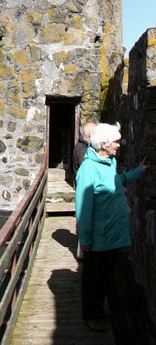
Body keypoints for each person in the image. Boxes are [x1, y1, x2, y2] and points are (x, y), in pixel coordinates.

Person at [75, 123, 147, 332]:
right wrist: (85, 240)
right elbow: (83, 207)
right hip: (98, 238)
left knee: (106, 276)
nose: (119, 145)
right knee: (93, 279)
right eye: (115, 141)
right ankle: (90, 314)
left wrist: (138, 172)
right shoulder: (89, 169)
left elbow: (117, 181)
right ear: (104, 144)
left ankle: (98, 309)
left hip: (112, 235)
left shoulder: (109, 162)